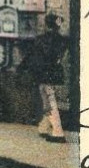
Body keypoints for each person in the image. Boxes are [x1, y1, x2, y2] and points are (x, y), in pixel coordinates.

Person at [28, 14, 70, 143]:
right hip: (56, 73)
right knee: (49, 99)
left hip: (44, 74)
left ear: (46, 24)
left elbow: (36, 58)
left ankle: (58, 132)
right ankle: (43, 127)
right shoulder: (63, 40)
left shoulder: (41, 39)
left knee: (49, 102)